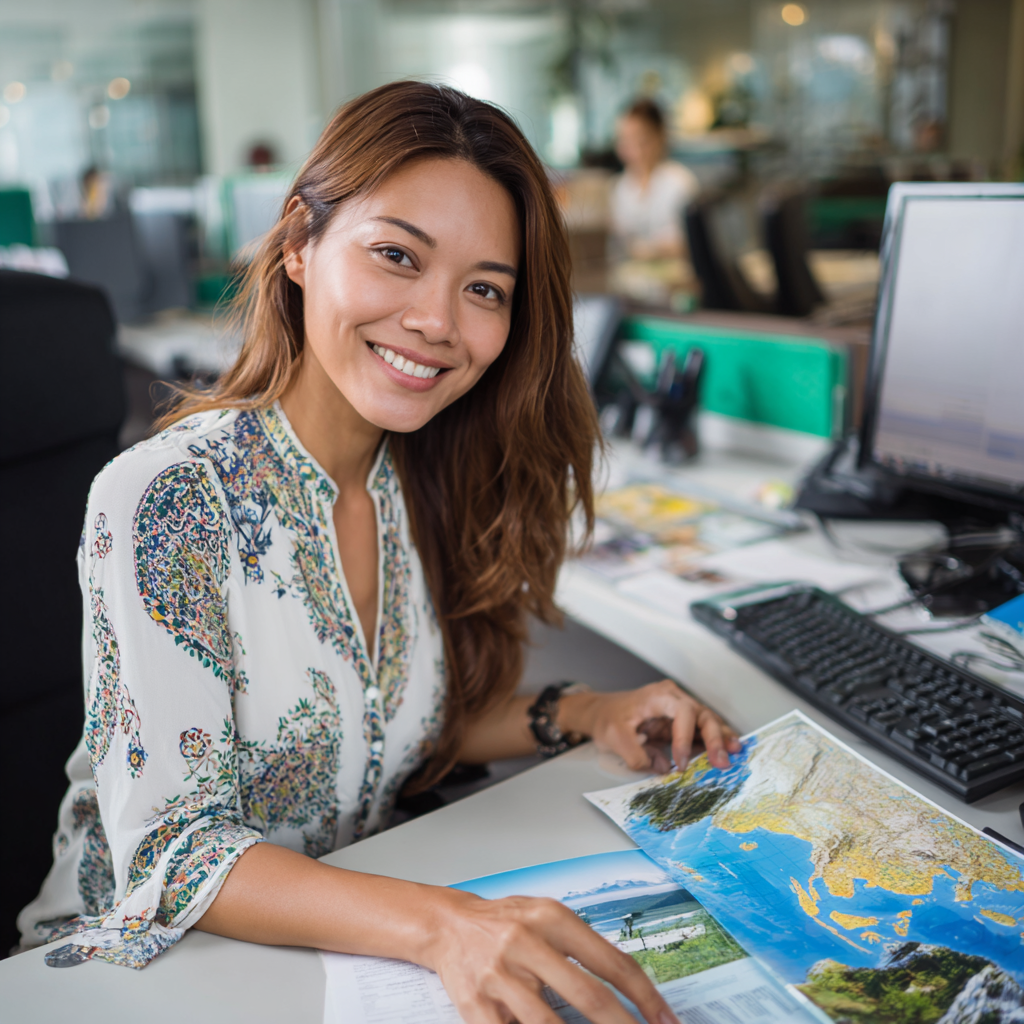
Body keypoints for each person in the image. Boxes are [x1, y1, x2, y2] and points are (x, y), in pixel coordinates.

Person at [20, 82, 739, 1021]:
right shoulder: (168, 495)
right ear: (298, 246)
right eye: (397, 255)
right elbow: (172, 853)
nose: (439, 321)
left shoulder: (409, 478)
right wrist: (446, 927)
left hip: (329, 957)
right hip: (141, 977)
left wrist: (590, 710)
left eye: (484, 288)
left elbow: (380, 736)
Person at [609, 98, 700, 262]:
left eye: (640, 140)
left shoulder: (679, 182)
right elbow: (620, 241)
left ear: (659, 137)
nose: (632, 149)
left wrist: (650, 250)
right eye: (624, 140)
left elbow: (692, 241)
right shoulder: (622, 187)